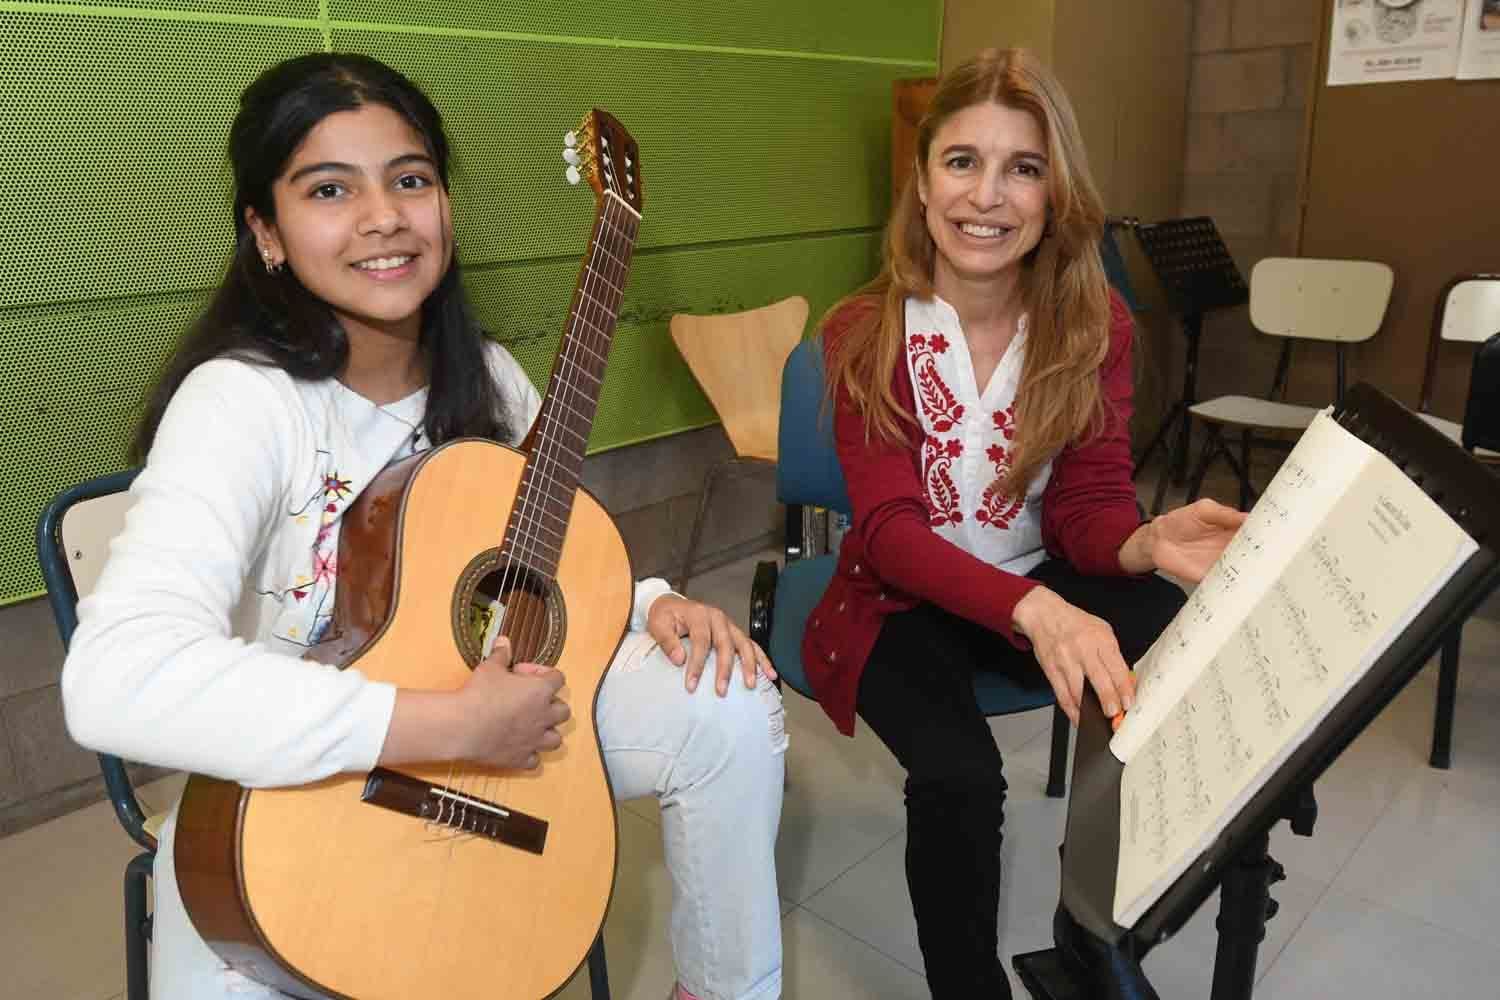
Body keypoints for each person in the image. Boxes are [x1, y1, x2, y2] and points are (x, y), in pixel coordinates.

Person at [61, 53, 784, 1000]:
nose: (384, 217)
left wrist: (651, 602)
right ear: (266, 231)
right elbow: (116, 681)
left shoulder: (489, 376)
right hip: (291, 798)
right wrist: (452, 724)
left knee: (728, 699)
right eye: (330, 189)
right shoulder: (239, 403)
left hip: (497, 722)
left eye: (409, 179)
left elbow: (543, 550)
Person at [804, 48, 1245, 997]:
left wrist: (1142, 542)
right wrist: (1036, 611)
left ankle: (1091, 932)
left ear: (1055, 194)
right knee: (960, 777)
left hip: (1034, 570)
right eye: (963, 161)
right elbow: (889, 534)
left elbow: (1085, 510)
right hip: (896, 600)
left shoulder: (1096, 326)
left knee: (1176, 644)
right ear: (923, 182)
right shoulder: (863, 331)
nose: (987, 196)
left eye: (1024, 168)